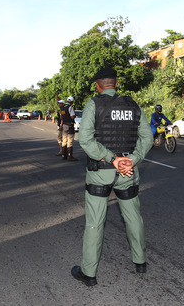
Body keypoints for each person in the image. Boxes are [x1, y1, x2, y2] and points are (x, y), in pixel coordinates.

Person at [71, 67, 152, 287]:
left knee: (95, 222)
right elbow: (147, 137)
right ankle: (140, 261)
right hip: (128, 172)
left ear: (98, 85)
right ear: (115, 84)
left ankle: (89, 273)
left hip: (101, 172)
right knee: (133, 216)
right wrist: (131, 159)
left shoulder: (93, 104)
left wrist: (111, 158)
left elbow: (86, 140)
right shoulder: (132, 105)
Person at [60, 96, 78, 161]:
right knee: (70, 140)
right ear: (72, 101)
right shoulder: (70, 107)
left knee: (64, 140)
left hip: (64, 125)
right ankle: (69, 156)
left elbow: (61, 117)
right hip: (70, 125)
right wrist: (75, 115)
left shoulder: (62, 108)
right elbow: (72, 116)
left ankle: (63, 155)